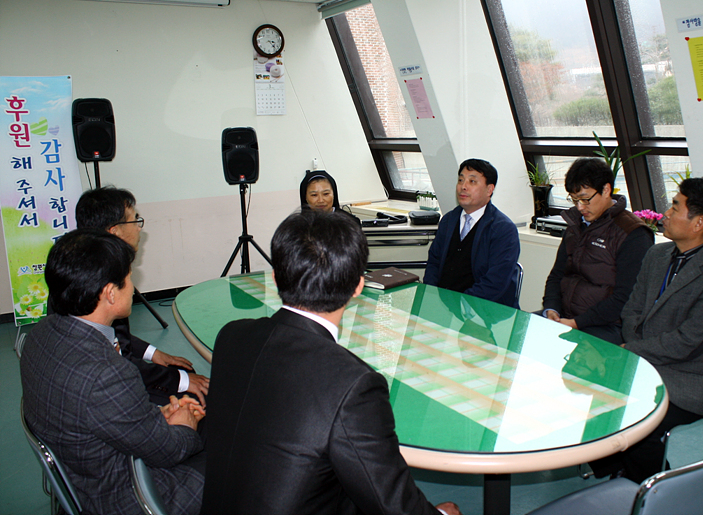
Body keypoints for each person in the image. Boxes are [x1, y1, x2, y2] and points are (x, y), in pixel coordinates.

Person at [201, 212, 460, 515]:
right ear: (358, 286)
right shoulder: (354, 385)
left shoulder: (231, 337)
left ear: (274, 277)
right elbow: (390, 504)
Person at [20, 229, 206, 515]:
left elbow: (99, 415)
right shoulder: (106, 374)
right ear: (109, 293)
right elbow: (169, 451)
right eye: (129, 278)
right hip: (121, 497)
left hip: (79, 474)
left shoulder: (39, 335)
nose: (132, 287)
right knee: (236, 457)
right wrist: (183, 425)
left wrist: (154, 417)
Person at [590, 177, 703, 483]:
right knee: (587, 388)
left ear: (699, 222)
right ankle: (621, 469)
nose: (666, 213)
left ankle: (655, 489)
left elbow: (688, 343)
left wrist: (632, 350)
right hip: (643, 358)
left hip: (688, 375)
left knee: (635, 422)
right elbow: (631, 310)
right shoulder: (657, 255)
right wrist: (635, 350)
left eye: (675, 206)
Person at [75, 186, 210, 406]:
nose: (139, 228)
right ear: (115, 231)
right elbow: (121, 364)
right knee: (200, 398)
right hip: (112, 393)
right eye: (135, 220)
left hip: (100, 377)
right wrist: (182, 381)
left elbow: (114, 337)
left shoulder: (82, 268)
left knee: (183, 371)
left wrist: (153, 353)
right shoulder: (104, 283)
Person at [541, 158, 653, 343]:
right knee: (521, 335)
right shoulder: (575, 226)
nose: (580, 207)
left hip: (607, 326)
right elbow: (556, 275)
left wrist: (577, 323)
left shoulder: (632, 233)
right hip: (566, 317)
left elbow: (626, 297)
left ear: (606, 190)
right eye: (574, 200)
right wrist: (551, 309)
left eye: (585, 199)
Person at [423, 158, 520, 308]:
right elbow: (434, 263)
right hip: (444, 305)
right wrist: (432, 295)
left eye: (472, 181)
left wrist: (461, 305)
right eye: (461, 180)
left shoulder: (503, 229)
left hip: (484, 310)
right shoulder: (449, 220)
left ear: (489, 190)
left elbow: (495, 283)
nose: (463, 187)